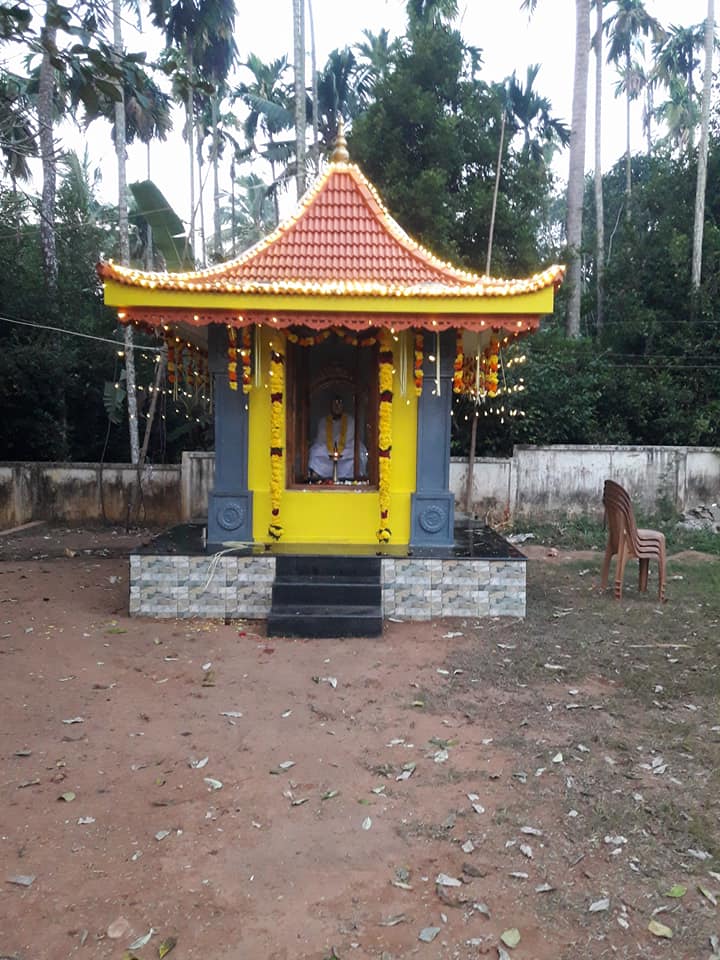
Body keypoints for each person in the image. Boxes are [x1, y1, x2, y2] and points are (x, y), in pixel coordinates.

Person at [307, 395, 368, 480]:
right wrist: (331, 447)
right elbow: (321, 439)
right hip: (327, 450)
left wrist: (338, 447)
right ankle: (315, 477)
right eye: (334, 404)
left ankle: (356, 478)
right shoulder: (323, 421)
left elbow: (349, 438)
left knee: (359, 451)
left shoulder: (350, 421)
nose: (337, 406)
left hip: (346, 449)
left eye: (339, 404)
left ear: (342, 406)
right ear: (331, 406)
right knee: (315, 451)